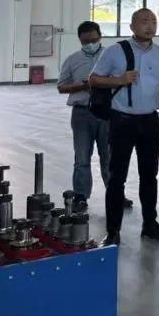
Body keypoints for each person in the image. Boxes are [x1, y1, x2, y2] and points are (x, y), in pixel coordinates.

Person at [89, 8, 159, 245]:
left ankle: (150, 224)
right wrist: (119, 80)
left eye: (154, 21)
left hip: (150, 121)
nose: (150, 26)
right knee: (117, 177)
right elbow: (93, 79)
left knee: (150, 176)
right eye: (144, 21)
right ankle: (113, 231)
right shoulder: (114, 51)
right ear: (132, 26)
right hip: (122, 122)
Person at [56, 21, 132, 210]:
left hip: (107, 112)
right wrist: (82, 85)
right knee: (82, 157)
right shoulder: (72, 60)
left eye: (93, 39)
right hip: (82, 113)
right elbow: (61, 86)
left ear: (100, 36)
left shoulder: (113, 57)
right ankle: (81, 196)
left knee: (109, 157)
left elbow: (124, 80)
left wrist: (100, 82)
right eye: (85, 41)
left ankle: (116, 194)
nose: (90, 44)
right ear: (80, 40)